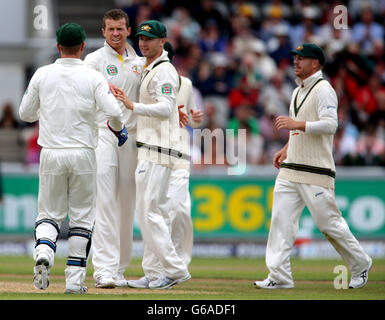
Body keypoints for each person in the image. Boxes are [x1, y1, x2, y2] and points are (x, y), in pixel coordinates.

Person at [19, 23, 127, 294]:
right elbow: (114, 111)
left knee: (49, 215)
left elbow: (25, 114)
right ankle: (74, 283)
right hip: (83, 154)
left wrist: (47, 111)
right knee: (81, 219)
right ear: (82, 47)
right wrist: (120, 128)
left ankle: (43, 251)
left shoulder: (43, 74)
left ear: (57, 46)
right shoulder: (92, 77)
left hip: (51, 152)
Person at [254, 43, 372, 289]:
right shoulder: (298, 91)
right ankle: (279, 276)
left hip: (315, 170)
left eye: (301, 58)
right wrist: (286, 149)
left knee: (328, 223)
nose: (295, 62)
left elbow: (331, 125)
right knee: (280, 221)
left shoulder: (324, 89)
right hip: (291, 169)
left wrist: (297, 124)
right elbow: (298, 129)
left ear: (315, 63)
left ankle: (361, 263)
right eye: (295, 58)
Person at [113, 20, 191, 289]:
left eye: (149, 39)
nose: (143, 43)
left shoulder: (165, 71)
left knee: (149, 212)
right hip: (152, 148)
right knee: (149, 212)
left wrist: (131, 105)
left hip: (157, 151)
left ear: (162, 41)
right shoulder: (152, 68)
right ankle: (155, 272)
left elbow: (165, 107)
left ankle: (175, 268)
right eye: (141, 39)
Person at [83, 8, 143, 289]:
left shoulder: (140, 62)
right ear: (103, 31)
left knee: (127, 205)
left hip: (131, 137)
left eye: (121, 28)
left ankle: (119, 269)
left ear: (128, 30)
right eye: (111, 29)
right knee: (105, 202)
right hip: (103, 134)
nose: (116, 33)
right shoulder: (93, 61)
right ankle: (103, 270)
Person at [163, 41, 204, 266]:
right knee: (157, 213)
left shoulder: (186, 84)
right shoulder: (142, 80)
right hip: (150, 154)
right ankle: (159, 266)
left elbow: (195, 120)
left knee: (178, 209)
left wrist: (196, 119)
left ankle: (180, 262)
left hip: (179, 152)